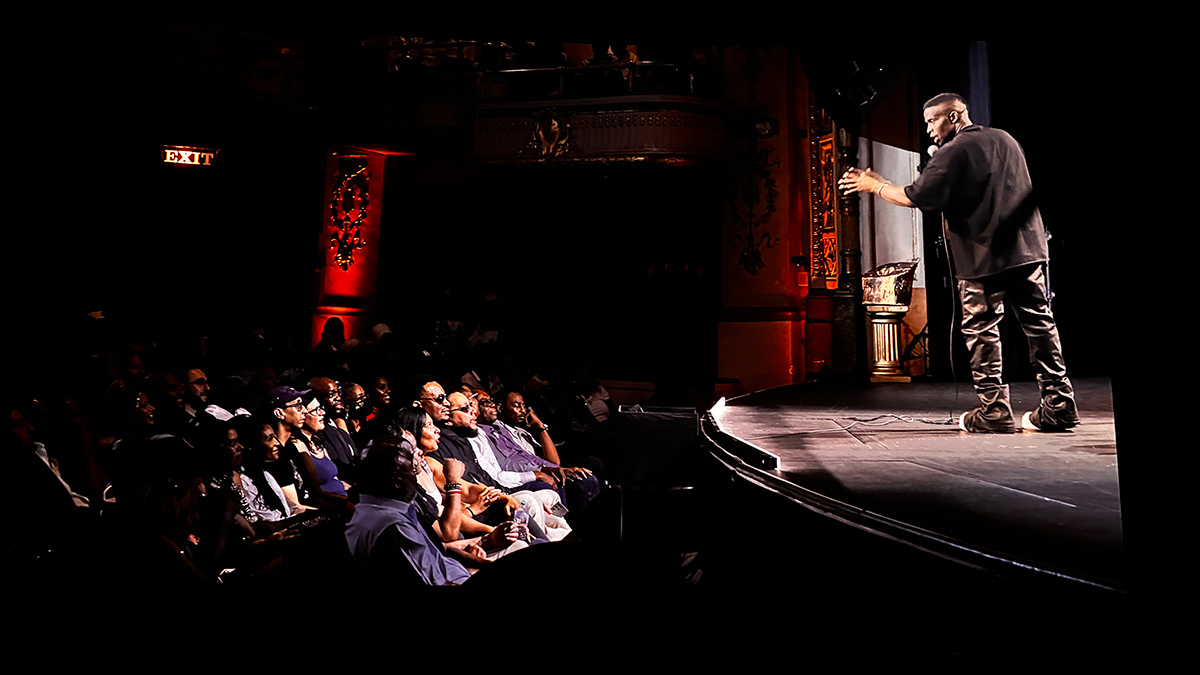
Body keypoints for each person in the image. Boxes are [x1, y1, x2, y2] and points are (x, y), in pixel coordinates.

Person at [838, 93, 1079, 434]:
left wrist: (875, 184)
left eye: (932, 121)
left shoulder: (954, 151)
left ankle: (994, 411)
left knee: (981, 330)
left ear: (953, 116)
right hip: (1027, 251)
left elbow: (912, 197)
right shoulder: (1004, 138)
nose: (929, 130)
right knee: (1040, 326)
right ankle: (1059, 406)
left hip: (984, 258)